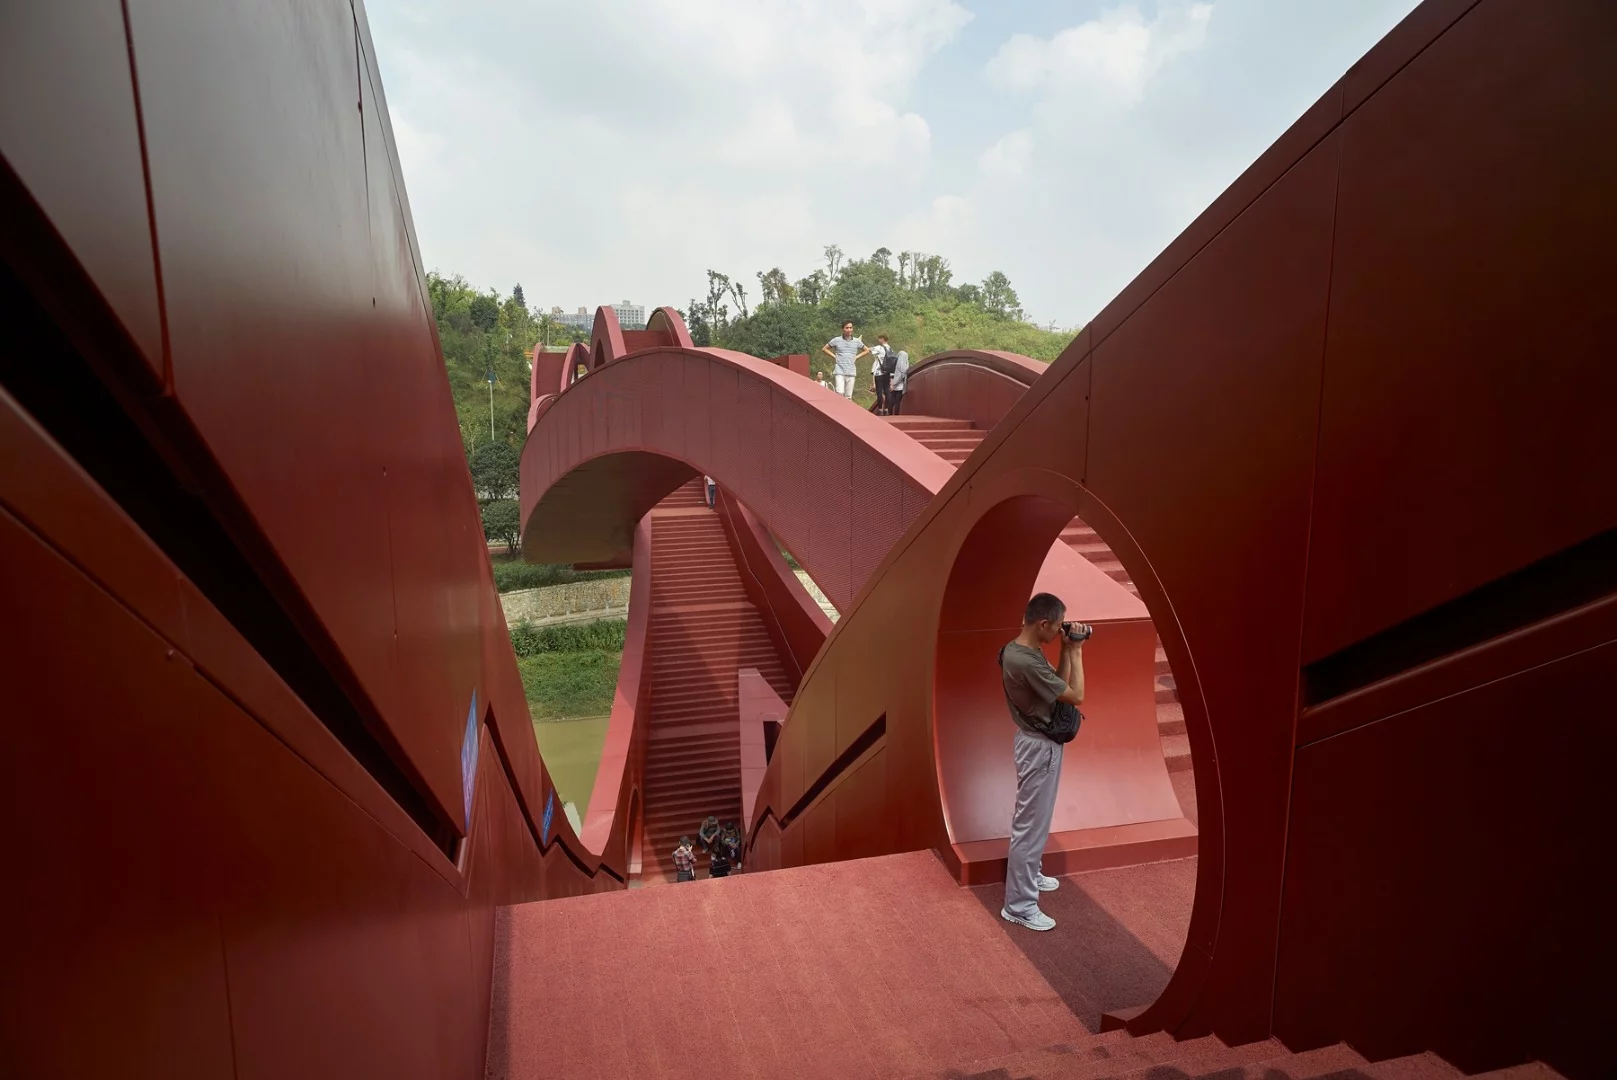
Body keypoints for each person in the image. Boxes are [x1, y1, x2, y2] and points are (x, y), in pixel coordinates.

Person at [998, 592, 1089, 932]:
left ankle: (1030, 874)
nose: (1060, 633)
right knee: (1029, 827)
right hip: (1038, 748)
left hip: (1037, 744)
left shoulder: (1022, 650)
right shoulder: (1027, 661)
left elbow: (1059, 689)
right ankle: (1019, 906)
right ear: (1043, 623)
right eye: (1057, 628)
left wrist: (1066, 649)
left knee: (1035, 821)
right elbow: (1076, 695)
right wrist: (1077, 650)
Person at [821, 321, 868, 399]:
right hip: (839, 370)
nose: (849, 329)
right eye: (847, 328)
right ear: (843, 329)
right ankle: (838, 410)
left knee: (848, 396)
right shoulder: (836, 340)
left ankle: (848, 411)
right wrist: (834, 356)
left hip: (851, 371)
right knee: (840, 393)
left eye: (850, 327)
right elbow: (824, 349)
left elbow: (866, 350)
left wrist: (856, 357)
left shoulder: (857, 341)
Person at [871, 335, 894, 414]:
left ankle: (880, 410)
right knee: (887, 392)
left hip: (879, 373)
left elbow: (869, 350)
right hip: (887, 373)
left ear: (882, 339)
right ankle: (886, 409)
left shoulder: (879, 348)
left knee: (879, 392)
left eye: (879, 338)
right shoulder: (890, 349)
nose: (878, 340)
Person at [888, 349, 909, 415]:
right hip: (900, 387)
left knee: (891, 401)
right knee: (897, 403)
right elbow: (903, 375)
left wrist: (892, 384)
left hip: (893, 386)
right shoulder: (905, 366)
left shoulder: (894, 363)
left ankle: (890, 415)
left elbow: (891, 374)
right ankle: (896, 416)